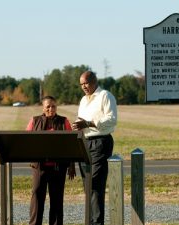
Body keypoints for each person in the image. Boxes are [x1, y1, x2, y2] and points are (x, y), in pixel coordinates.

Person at [71, 71, 117, 225]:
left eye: (86, 83)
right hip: (84, 142)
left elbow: (111, 119)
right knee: (88, 185)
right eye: (81, 84)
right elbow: (81, 121)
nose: (84, 86)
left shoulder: (105, 96)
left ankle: (96, 222)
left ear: (94, 81)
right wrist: (78, 126)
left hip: (100, 142)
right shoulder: (83, 100)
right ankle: (90, 221)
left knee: (95, 183)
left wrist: (89, 123)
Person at [27, 95, 76, 225]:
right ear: (43, 108)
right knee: (37, 197)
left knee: (57, 200)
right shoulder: (34, 120)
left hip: (58, 168)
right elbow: (26, 141)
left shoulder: (64, 121)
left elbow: (71, 144)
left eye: (53, 106)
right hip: (39, 167)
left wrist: (72, 165)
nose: (51, 109)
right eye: (48, 106)